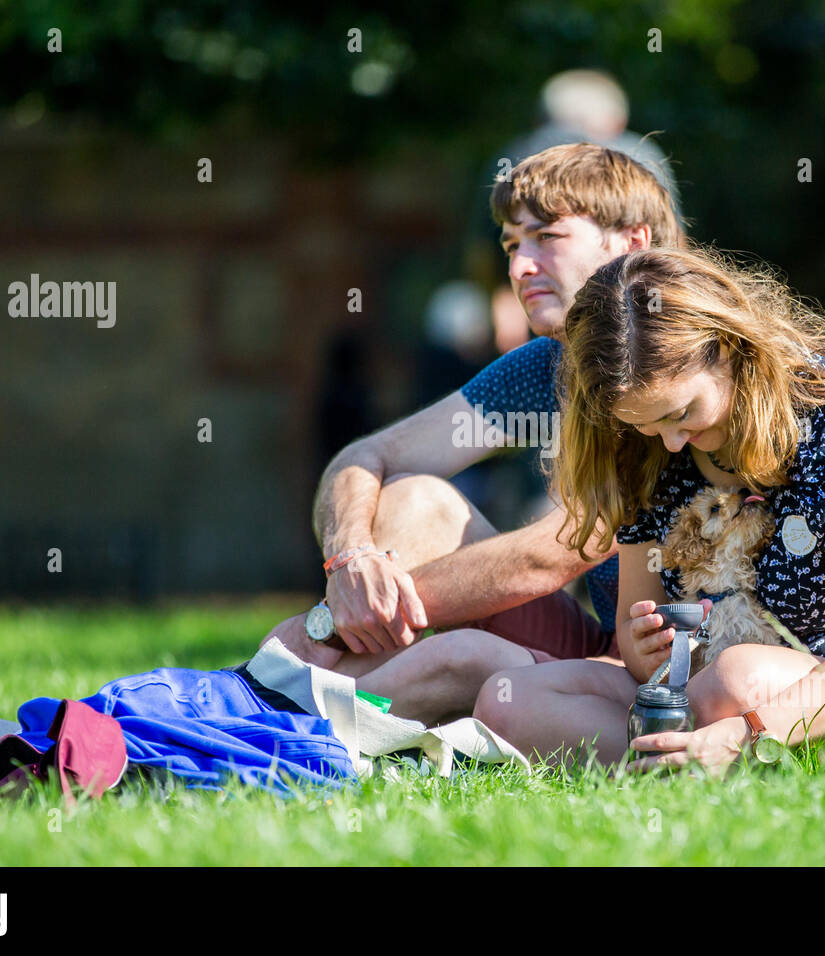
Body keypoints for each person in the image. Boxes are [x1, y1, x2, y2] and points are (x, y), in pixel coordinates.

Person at [472, 246, 825, 770]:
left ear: (723, 347)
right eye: (645, 424)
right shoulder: (645, 453)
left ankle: (713, 751)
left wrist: (748, 731)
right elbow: (639, 632)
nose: (669, 442)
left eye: (680, 413)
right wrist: (648, 650)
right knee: (514, 703)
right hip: (714, 691)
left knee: (737, 680)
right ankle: (686, 759)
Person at [260, 143, 686, 726]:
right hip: (605, 651)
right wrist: (351, 561)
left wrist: (338, 620)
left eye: (547, 238)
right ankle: (283, 706)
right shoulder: (547, 363)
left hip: (683, 673)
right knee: (414, 500)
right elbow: (368, 455)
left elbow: (556, 553)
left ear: (631, 243)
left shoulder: (675, 360)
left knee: (461, 659)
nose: (518, 267)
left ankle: (279, 709)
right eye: (512, 245)